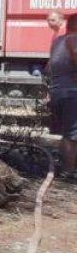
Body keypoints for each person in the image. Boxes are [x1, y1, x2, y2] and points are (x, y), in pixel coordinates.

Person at [47, 14, 77, 177]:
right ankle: (69, 171)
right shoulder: (74, 40)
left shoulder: (58, 41)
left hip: (58, 91)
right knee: (72, 135)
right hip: (72, 92)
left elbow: (49, 68)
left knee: (67, 133)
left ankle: (67, 167)